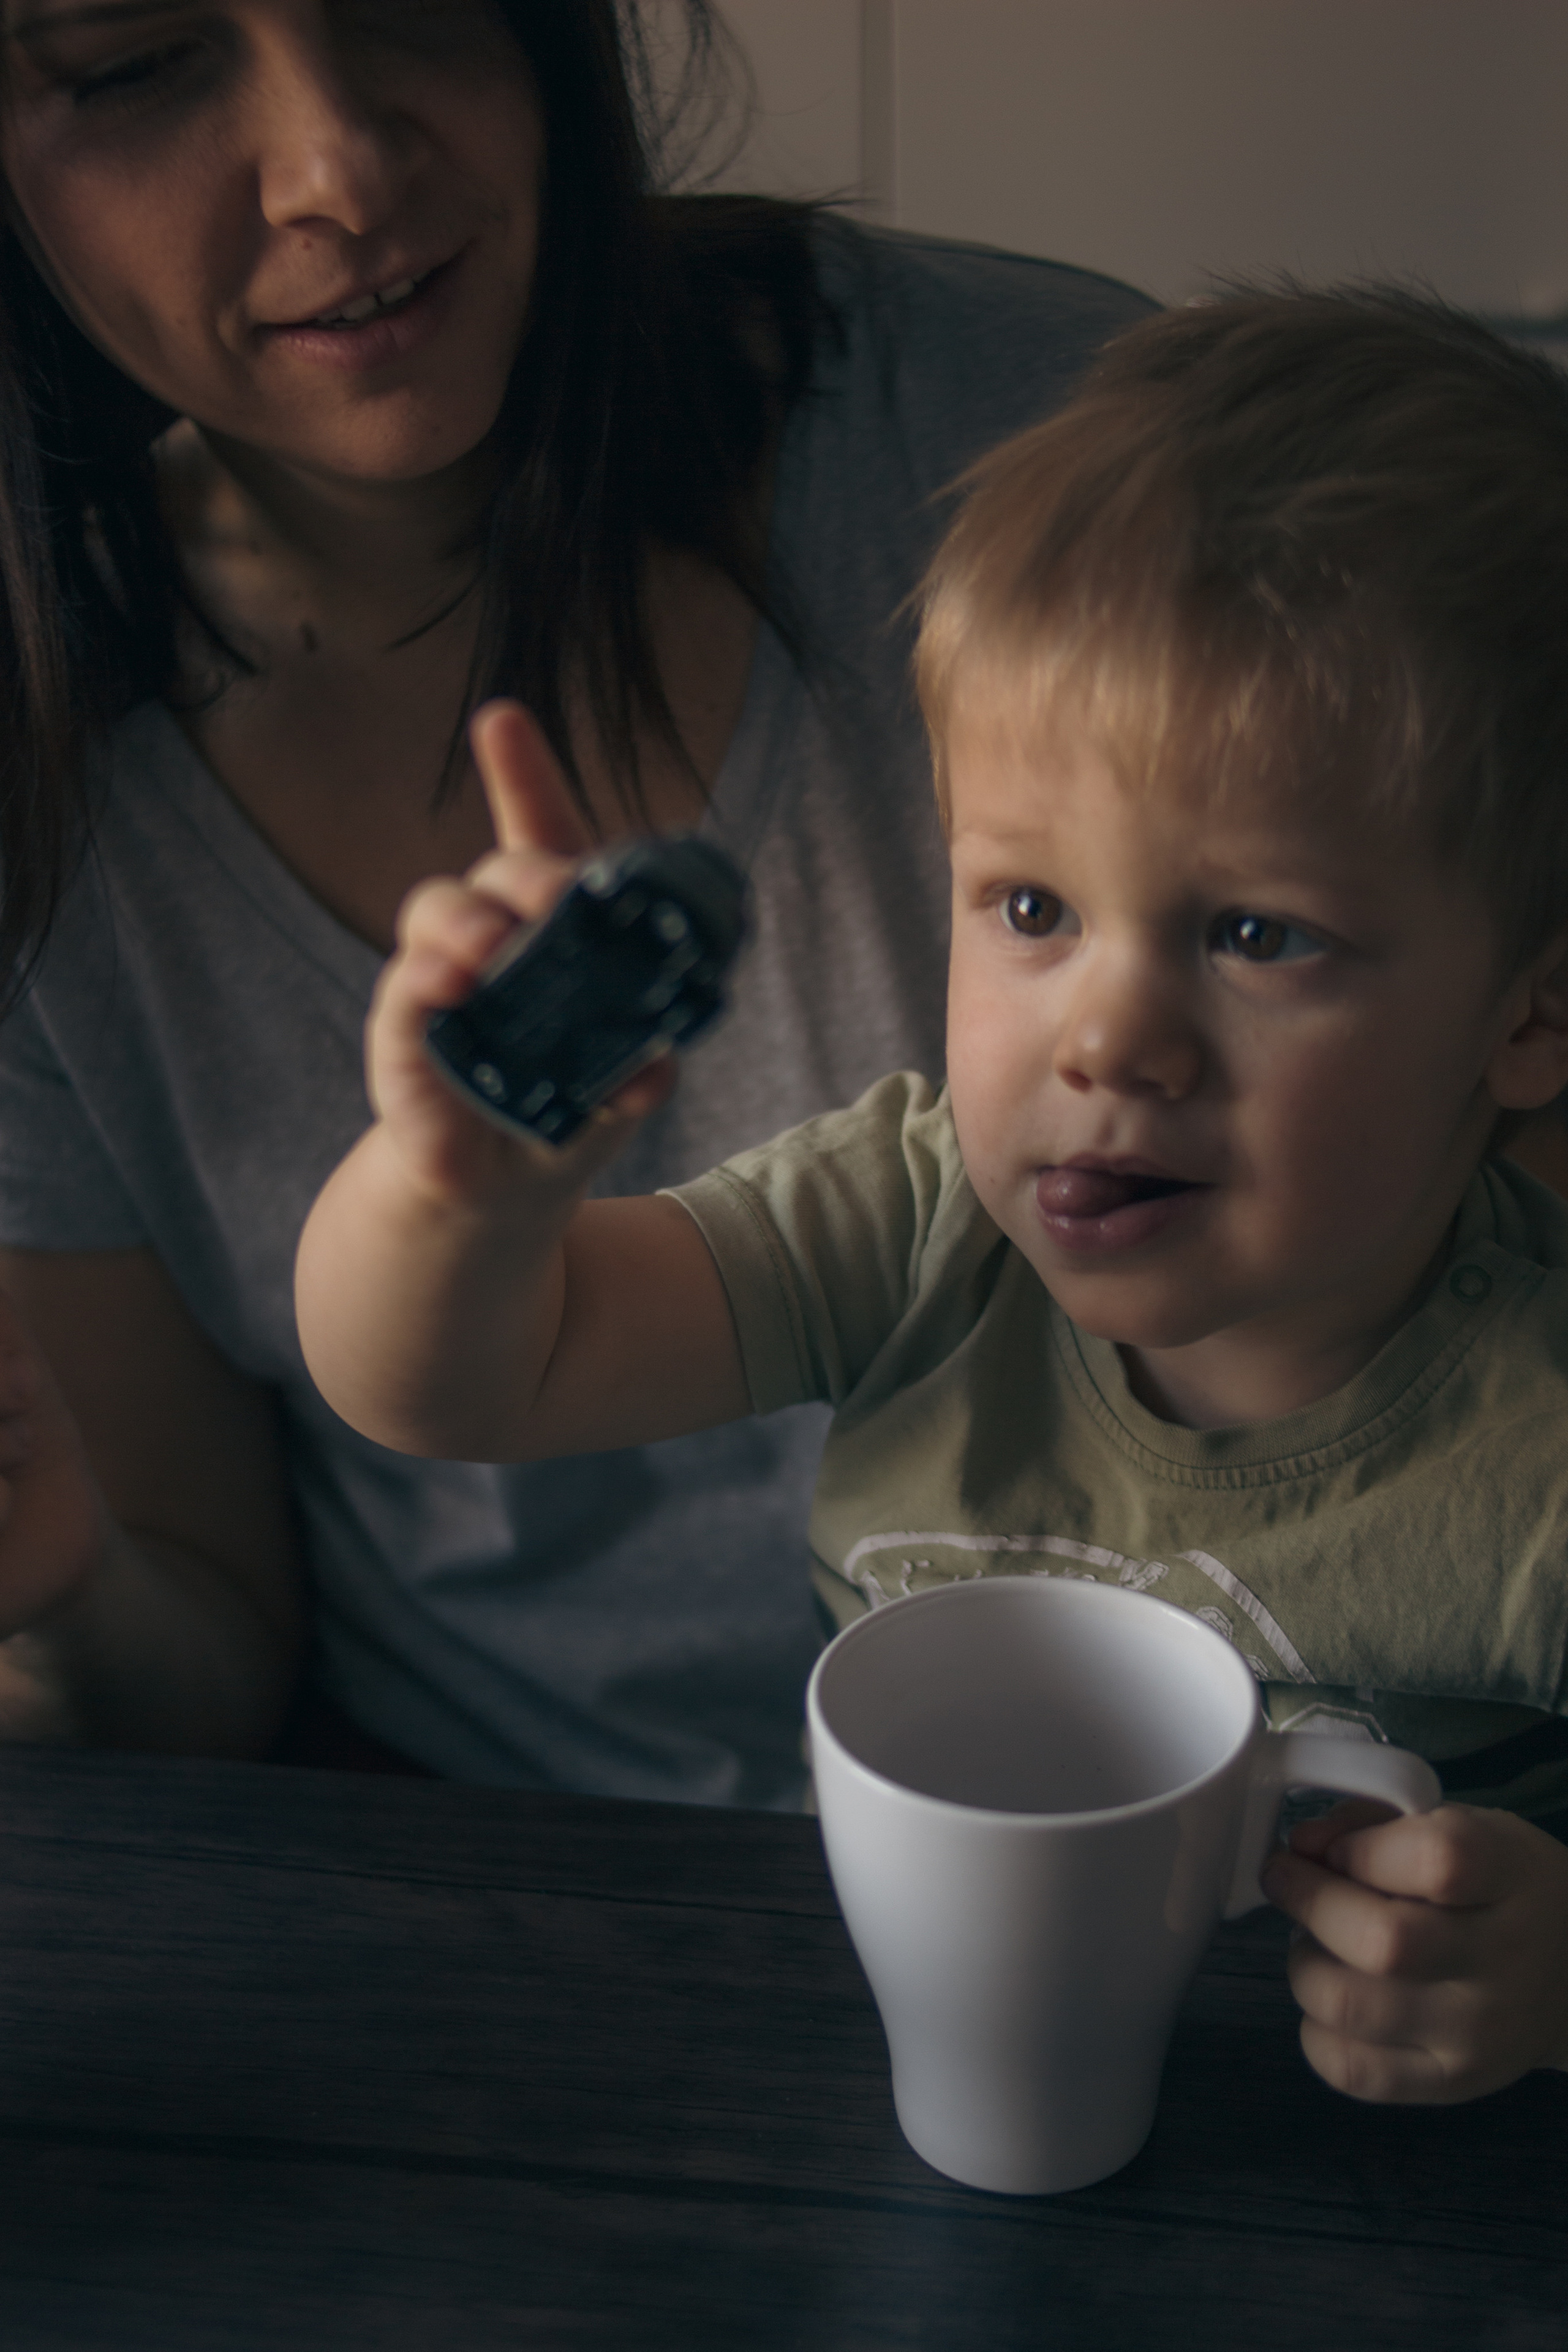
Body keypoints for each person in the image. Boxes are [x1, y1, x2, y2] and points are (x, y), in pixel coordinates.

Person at [295, 286, 1568, 2104]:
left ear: (1530, 1011)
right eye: (1032, 909)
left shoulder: (1538, 1439)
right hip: (879, 2083)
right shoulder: (913, 1224)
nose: (1111, 1036)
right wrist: (456, 1190)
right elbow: (452, 1383)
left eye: (1256, 933)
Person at [0, 2, 1148, 1793]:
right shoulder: (46, 769)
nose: (342, 167)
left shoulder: (1069, 458)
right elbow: (205, 1664)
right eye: (137, 61)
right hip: (485, 1881)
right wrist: (61, 1597)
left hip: (1151, 1827)